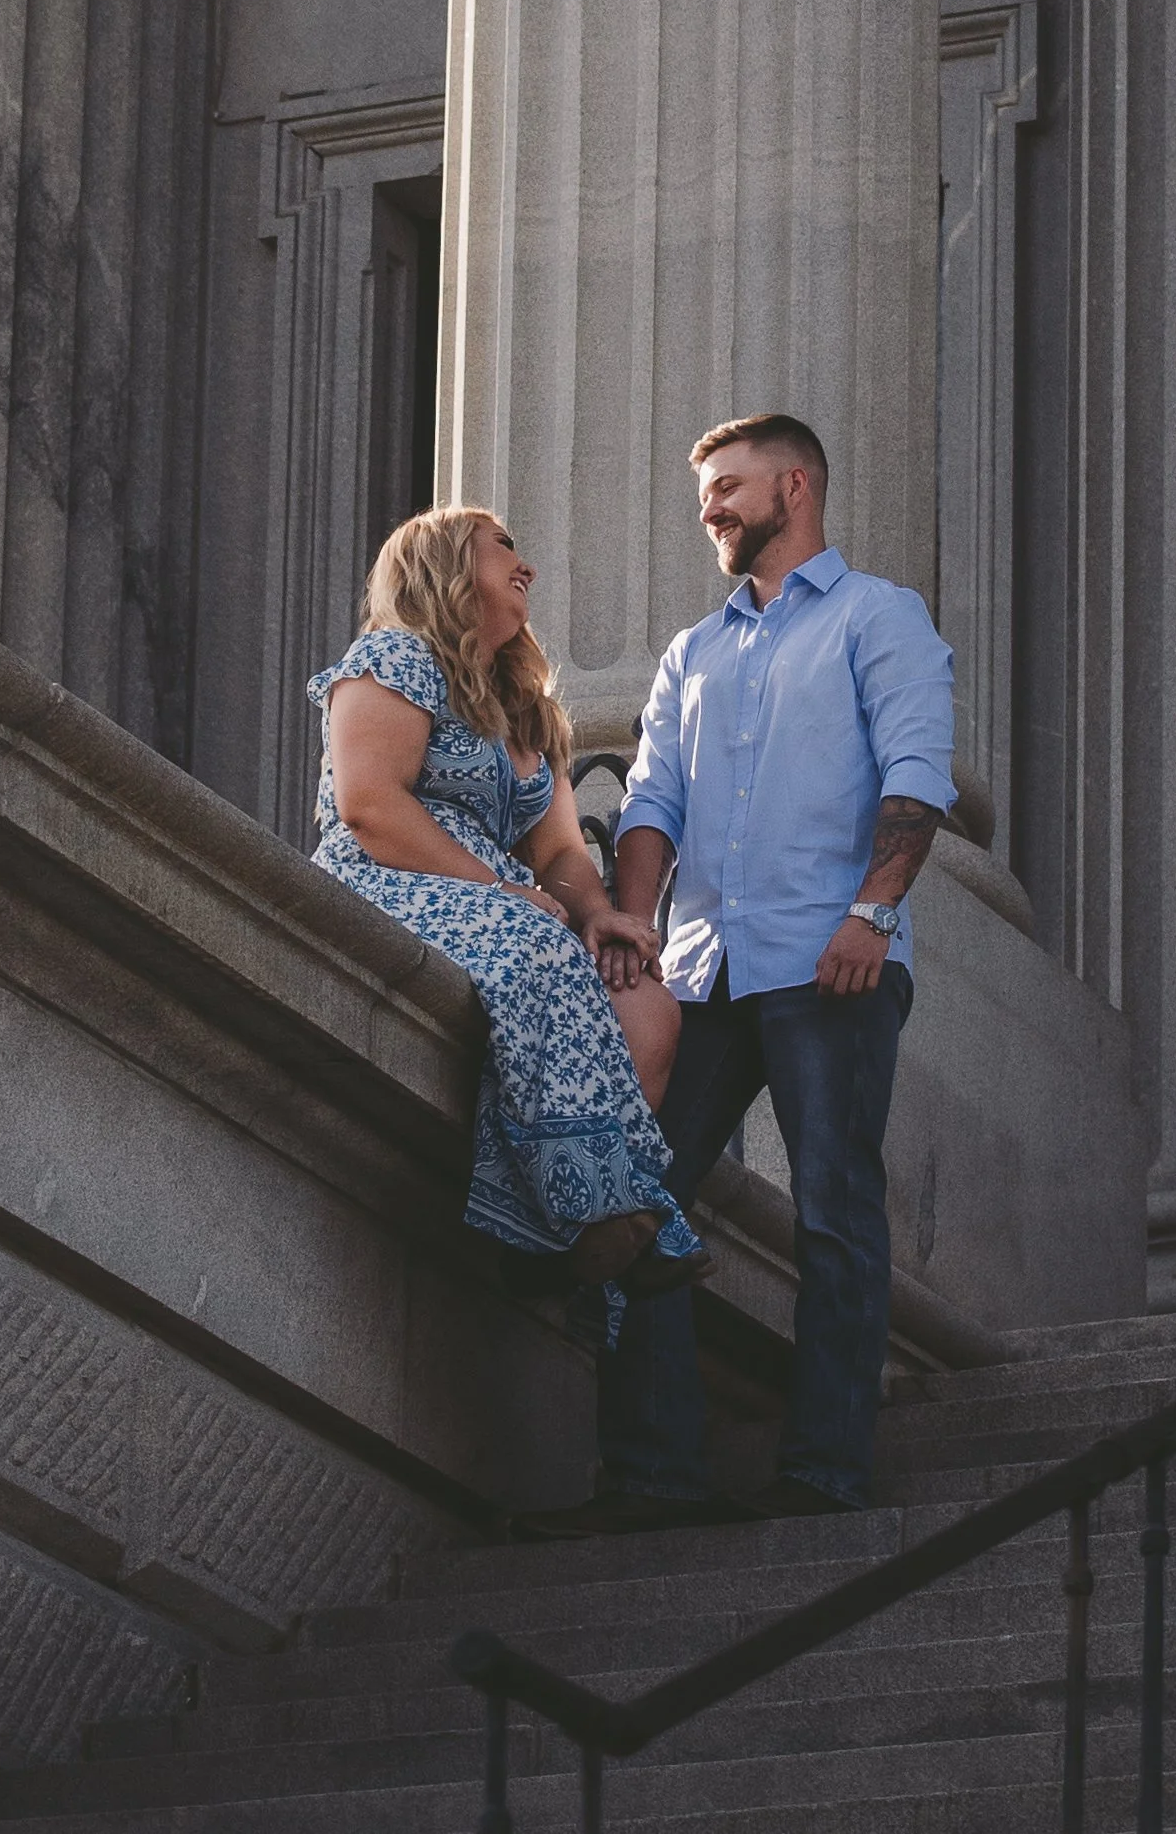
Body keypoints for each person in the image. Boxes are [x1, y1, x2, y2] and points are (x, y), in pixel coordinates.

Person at [516, 413, 956, 1535]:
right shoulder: (691, 652)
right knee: (633, 1202)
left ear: (793, 485)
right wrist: (631, 918)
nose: (708, 508)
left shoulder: (876, 618)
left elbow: (914, 778)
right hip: (707, 975)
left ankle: (822, 1470)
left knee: (833, 1216)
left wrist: (872, 914)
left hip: (831, 967)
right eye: (705, 491)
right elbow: (652, 801)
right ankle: (653, 1472)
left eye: (726, 487)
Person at [309, 505, 711, 1292]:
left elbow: (559, 848)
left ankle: (588, 1210)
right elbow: (370, 806)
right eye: (503, 549)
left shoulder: (525, 709)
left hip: (500, 899)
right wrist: (499, 889)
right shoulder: (394, 658)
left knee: (646, 1006)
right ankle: (587, 1204)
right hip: (388, 872)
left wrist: (601, 916)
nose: (524, 567)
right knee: (533, 943)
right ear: (445, 566)